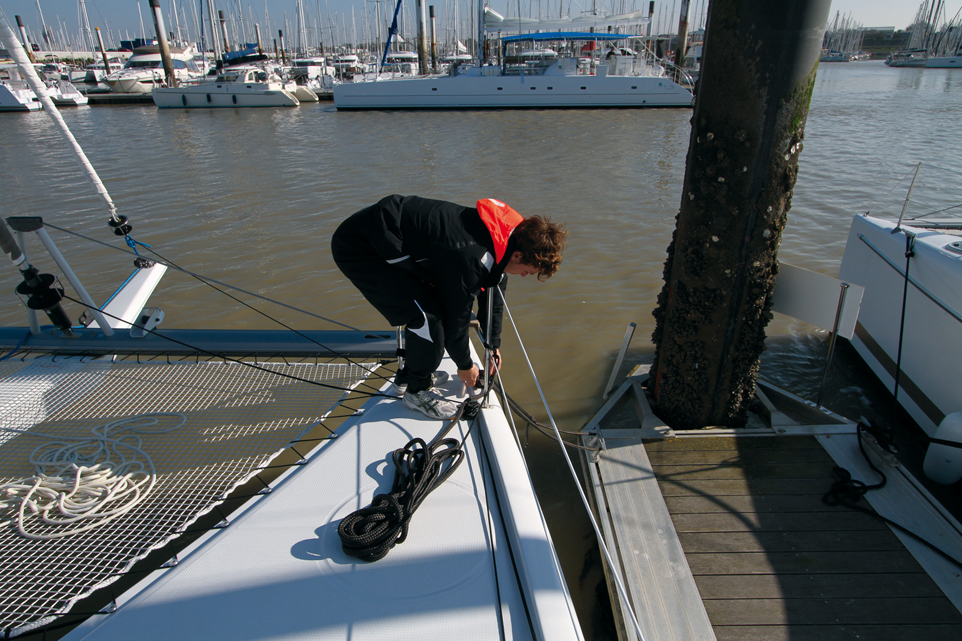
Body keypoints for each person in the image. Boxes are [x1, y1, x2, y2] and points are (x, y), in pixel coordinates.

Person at [332, 195, 567, 419]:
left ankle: (411, 375)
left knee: (433, 307)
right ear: (517, 256)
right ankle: (417, 392)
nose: (524, 276)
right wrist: (465, 365)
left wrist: (492, 346)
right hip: (362, 247)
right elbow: (457, 318)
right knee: (427, 316)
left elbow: (493, 291)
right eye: (527, 271)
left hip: (397, 239)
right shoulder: (471, 256)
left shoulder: (507, 240)